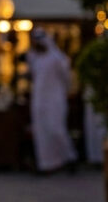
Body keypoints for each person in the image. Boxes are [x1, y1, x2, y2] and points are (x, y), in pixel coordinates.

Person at [26, 27, 78, 174]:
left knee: (56, 129)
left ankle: (69, 157)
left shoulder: (57, 58)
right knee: (41, 131)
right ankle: (46, 163)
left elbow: (66, 79)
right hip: (39, 100)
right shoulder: (34, 57)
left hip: (55, 99)